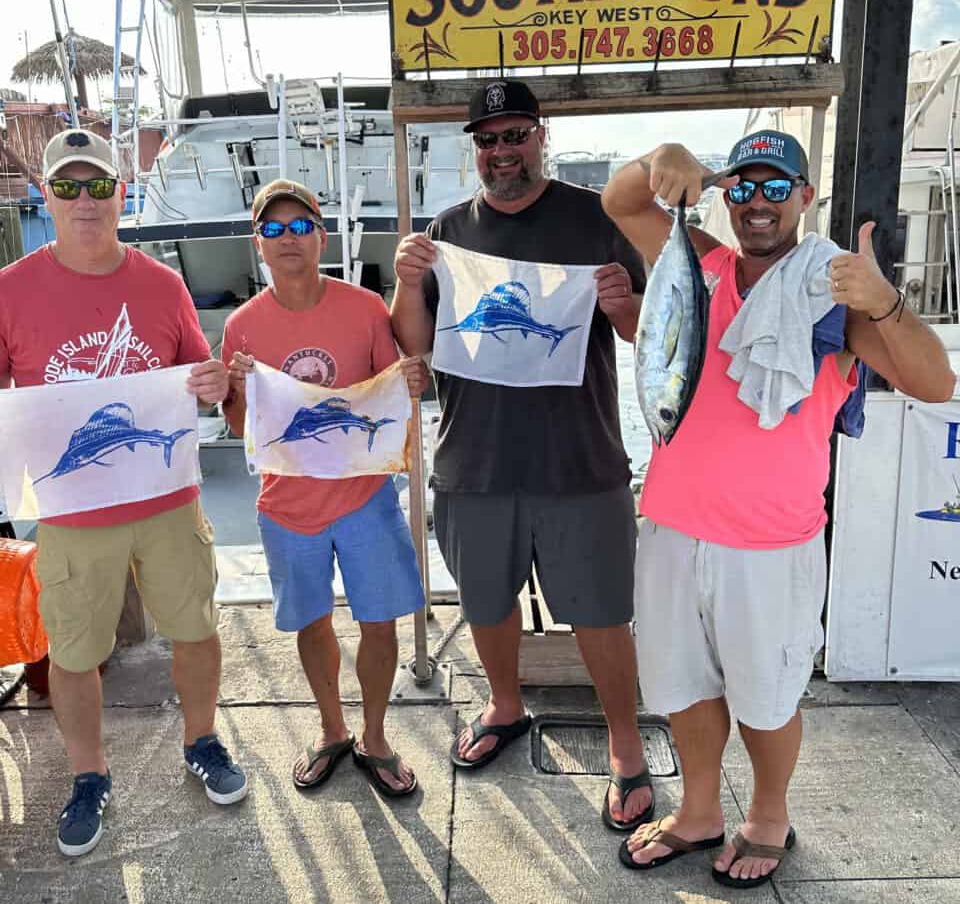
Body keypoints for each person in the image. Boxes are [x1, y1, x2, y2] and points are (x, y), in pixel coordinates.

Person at [602, 131, 956, 887]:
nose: (757, 204)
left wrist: (885, 301)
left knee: (765, 699)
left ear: (805, 197)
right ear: (726, 197)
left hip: (771, 543)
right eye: (743, 188)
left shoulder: (835, 294)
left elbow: (935, 385)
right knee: (683, 687)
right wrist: (669, 155)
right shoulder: (697, 262)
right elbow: (622, 199)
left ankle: (768, 818)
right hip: (670, 529)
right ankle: (699, 812)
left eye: (774, 188)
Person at [0, 129, 247, 858]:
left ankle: (201, 738)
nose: (85, 200)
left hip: (168, 502)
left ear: (120, 193)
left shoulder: (163, 284)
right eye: (68, 186)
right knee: (73, 653)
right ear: (45, 195)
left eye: (99, 185)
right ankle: (89, 775)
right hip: (70, 513)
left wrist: (213, 385)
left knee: (196, 627)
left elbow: (199, 382)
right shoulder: (6, 292)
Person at [391, 79, 655, 832]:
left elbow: (648, 335)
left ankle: (627, 748)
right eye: (487, 139)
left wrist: (621, 305)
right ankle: (505, 707)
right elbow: (414, 345)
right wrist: (410, 281)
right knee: (485, 602)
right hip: (473, 463)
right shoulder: (446, 229)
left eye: (515, 135)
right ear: (473, 149)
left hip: (582, 464)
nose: (502, 151)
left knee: (603, 615)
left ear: (542, 136)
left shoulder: (596, 217)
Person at [222, 179, 429, 798]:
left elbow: (391, 394)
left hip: (366, 499)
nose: (288, 239)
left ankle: (376, 737)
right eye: (274, 230)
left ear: (321, 233)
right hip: (287, 508)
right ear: (259, 245)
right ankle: (331, 730)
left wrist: (410, 381)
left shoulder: (367, 308)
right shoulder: (241, 326)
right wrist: (234, 389)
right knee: (311, 624)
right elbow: (241, 428)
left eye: (299, 225)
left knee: (381, 623)